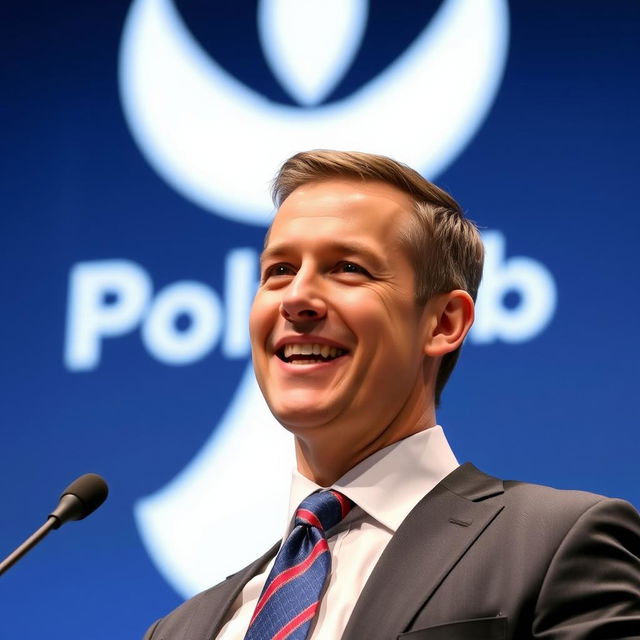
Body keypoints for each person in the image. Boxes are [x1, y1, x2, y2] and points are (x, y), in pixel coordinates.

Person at [144, 150, 640, 639]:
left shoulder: (554, 542)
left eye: (348, 268)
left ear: (443, 322)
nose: (296, 297)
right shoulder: (178, 630)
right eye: (279, 270)